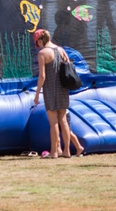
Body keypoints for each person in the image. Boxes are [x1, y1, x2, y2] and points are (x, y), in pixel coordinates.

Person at [33, 29, 83, 158]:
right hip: (63, 88)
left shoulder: (43, 54)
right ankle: (67, 150)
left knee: (53, 122)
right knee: (63, 120)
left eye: (36, 43)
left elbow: (42, 76)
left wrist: (37, 93)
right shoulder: (60, 50)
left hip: (50, 89)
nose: (37, 46)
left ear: (39, 40)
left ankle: (54, 152)